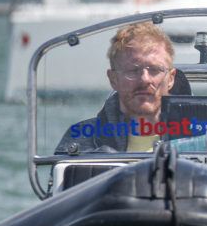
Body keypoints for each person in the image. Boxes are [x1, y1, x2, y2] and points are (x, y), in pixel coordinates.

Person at [57, 21, 185, 154]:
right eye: (133, 70)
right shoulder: (80, 139)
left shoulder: (202, 139)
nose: (145, 79)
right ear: (113, 79)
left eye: (155, 69)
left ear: (171, 79)